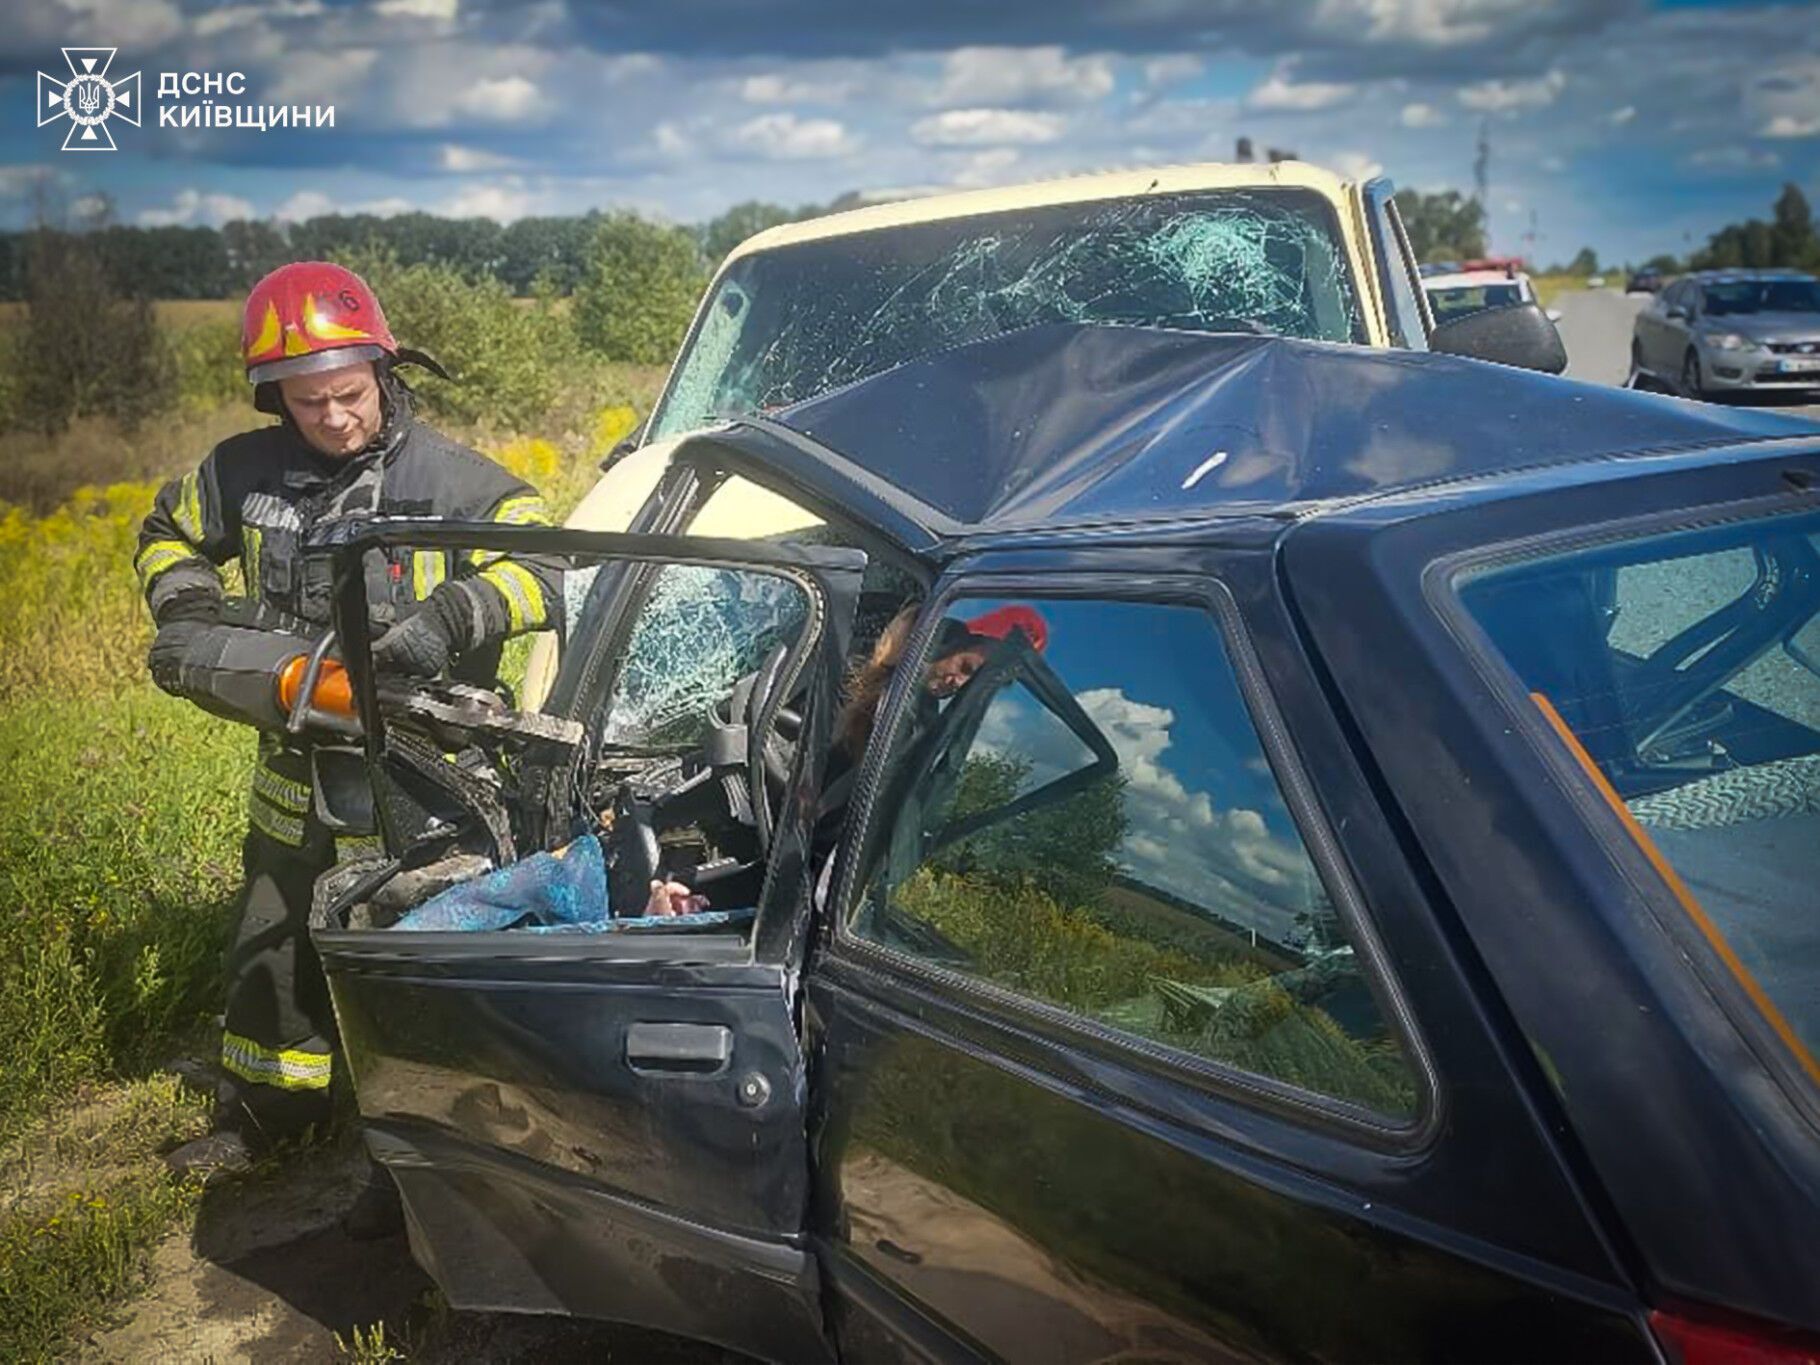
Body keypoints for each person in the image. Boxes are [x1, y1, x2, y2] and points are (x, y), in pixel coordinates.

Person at [136, 262, 561, 1212]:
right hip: (293, 760)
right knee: (273, 933)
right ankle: (269, 1113)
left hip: (419, 773)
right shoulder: (240, 472)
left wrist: (457, 613)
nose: (331, 418)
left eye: (348, 395)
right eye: (307, 401)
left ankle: (407, 1156)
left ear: (384, 369)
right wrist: (191, 601)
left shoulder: (453, 480)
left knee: (406, 954)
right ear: (274, 397)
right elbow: (164, 532)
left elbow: (548, 563)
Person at [641, 602, 1048, 917]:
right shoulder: (849, 679)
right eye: (965, 667)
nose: (955, 683)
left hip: (794, 871)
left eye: (973, 683)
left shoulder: (921, 727)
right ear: (945, 639)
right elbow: (789, 797)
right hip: (744, 831)